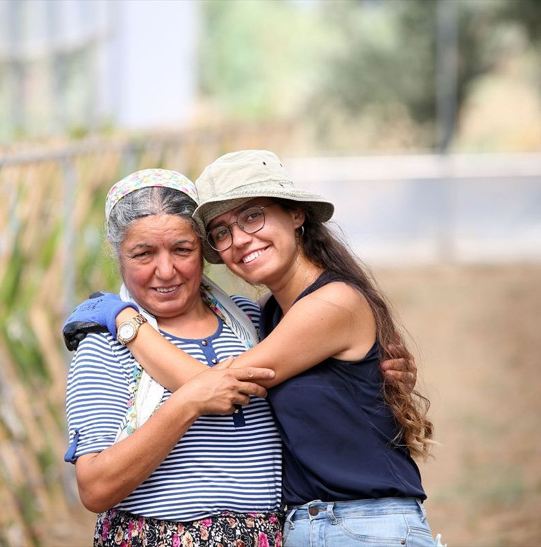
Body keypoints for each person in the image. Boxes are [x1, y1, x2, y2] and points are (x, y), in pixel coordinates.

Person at [67, 150, 440, 547]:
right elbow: (95, 486)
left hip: (356, 528)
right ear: (118, 257)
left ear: (297, 214)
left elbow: (220, 386)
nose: (166, 270)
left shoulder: (257, 319)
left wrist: (129, 323)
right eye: (223, 231)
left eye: (182, 249)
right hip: (307, 528)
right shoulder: (266, 317)